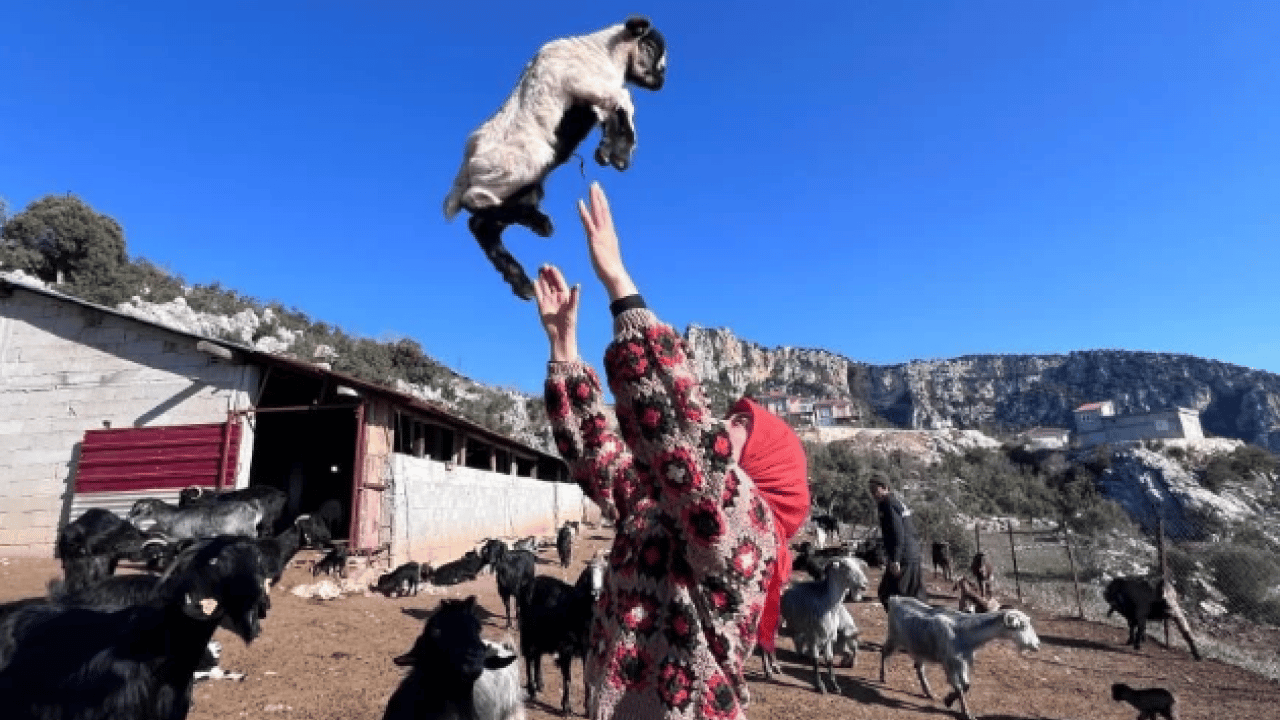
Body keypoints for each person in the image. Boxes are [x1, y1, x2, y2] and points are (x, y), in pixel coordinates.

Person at [534, 182, 809, 720]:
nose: (723, 423)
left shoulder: (746, 528)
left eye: (739, 425)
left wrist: (619, 284)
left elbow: (682, 437)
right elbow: (601, 461)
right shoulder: (663, 509)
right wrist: (564, 348)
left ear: (764, 469)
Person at [869, 473, 928, 608]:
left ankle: (912, 621)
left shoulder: (888, 504)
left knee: (894, 597)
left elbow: (898, 533)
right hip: (910, 554)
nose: (872, 494)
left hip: (905, 557)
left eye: (875, 489)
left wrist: (896, 559)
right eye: (870, 490)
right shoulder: (892, 501)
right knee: (911, 597)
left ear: (885, 487)